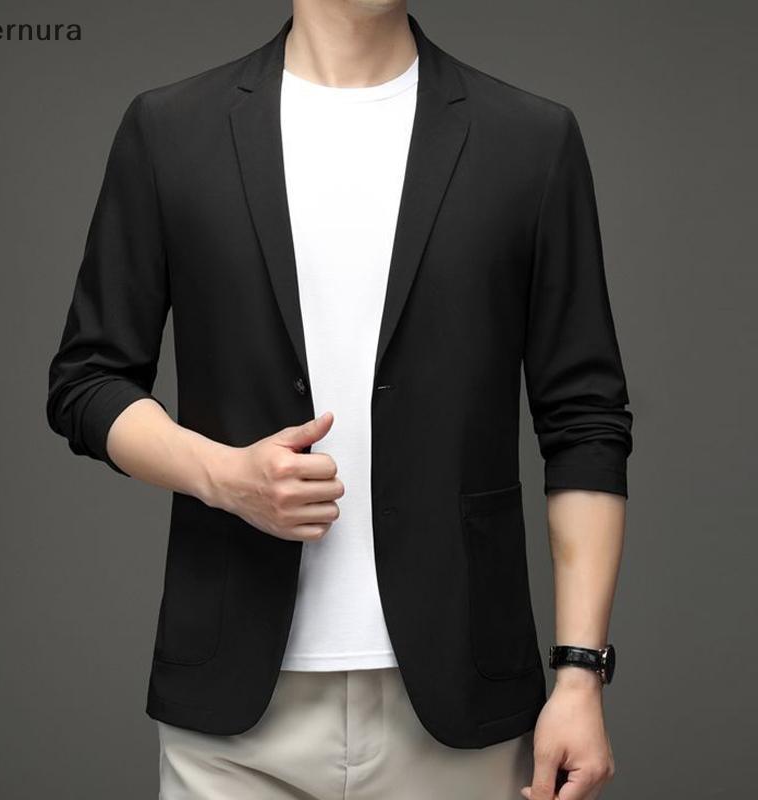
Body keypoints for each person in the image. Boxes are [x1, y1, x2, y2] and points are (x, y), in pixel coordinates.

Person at [46, 2, 633, 798]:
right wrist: (224, 477)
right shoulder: (171, 129)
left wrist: (580, 675)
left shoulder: (529, 139)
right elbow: (88, 378)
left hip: (461, 696)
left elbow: (585, 422)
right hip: (231, 713)